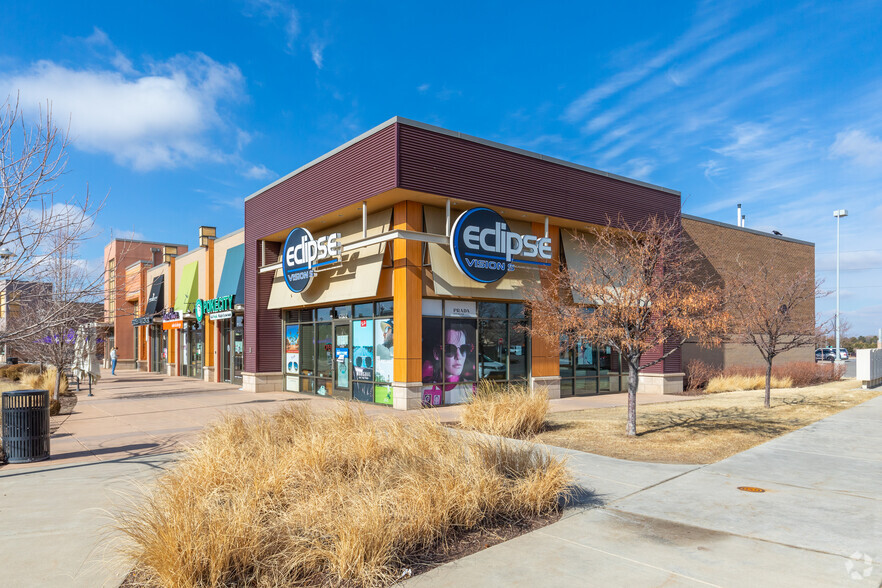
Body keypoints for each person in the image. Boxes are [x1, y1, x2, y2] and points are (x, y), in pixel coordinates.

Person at [422, 320, 476, 405]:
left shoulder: (471, 388)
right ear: (436, 353)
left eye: (464, 349)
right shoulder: (425, 388)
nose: (459, 357)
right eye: (450, 349)